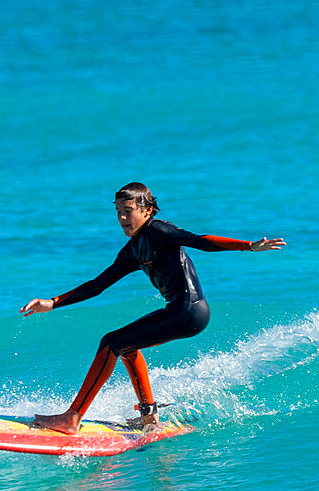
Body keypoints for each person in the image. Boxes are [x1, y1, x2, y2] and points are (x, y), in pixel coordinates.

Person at [21, 182, 285, 434]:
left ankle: (73, 417)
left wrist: (249, 246)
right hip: (180, 311)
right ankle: (149, 417)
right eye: (118, 213)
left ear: (146, 211)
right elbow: (98, 284)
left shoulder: (158, 230)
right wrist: (53, 302)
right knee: (126, 346)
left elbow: (201, 241)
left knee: (110, 342)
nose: (123, 219)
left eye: (128, 212)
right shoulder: (132, 250)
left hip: (188, 311)